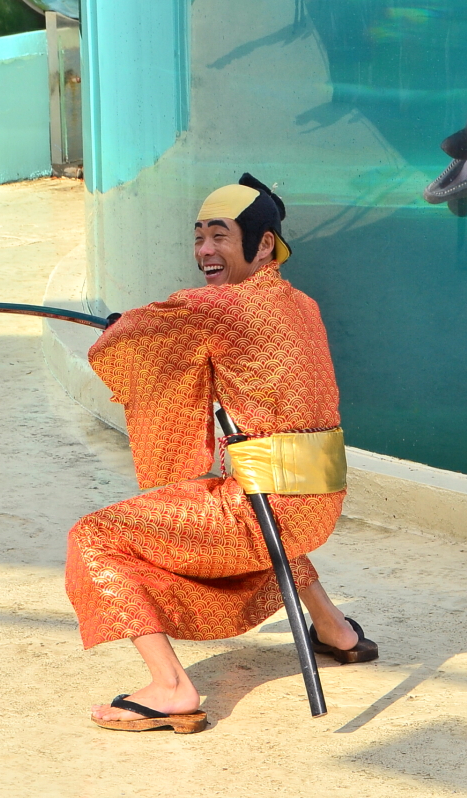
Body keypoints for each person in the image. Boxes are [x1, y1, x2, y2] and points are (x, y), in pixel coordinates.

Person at [65, 174, 377, 734]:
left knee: (95, 536)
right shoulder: (304, 305)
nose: (205, 251)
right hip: (320, 502)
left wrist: (127, 332)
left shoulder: (215, 307)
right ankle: (335, 629)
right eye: (199, 237)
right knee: (249, 503)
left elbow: (125, 344)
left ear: (262, 245)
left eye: (220, 237)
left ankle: (170, 686)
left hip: (267, 508)